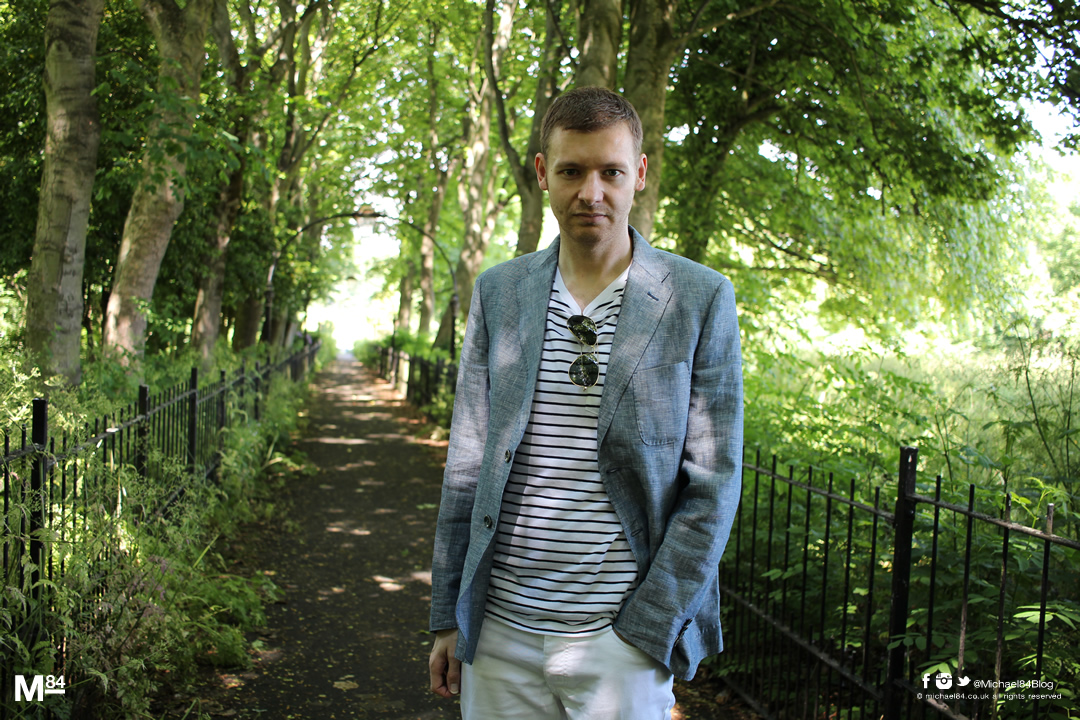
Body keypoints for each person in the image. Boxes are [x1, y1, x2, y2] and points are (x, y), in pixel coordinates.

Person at [428, 86, 743, 719]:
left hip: (617, 641)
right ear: (544, 173)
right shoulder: (501, 293)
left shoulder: (698, 297)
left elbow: (714, 483)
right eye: (572, 171)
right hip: (498, 633)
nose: (590, 192)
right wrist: (448, 616)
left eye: (611, 172)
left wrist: (647, 628)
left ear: (640, 175)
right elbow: (467, 463)